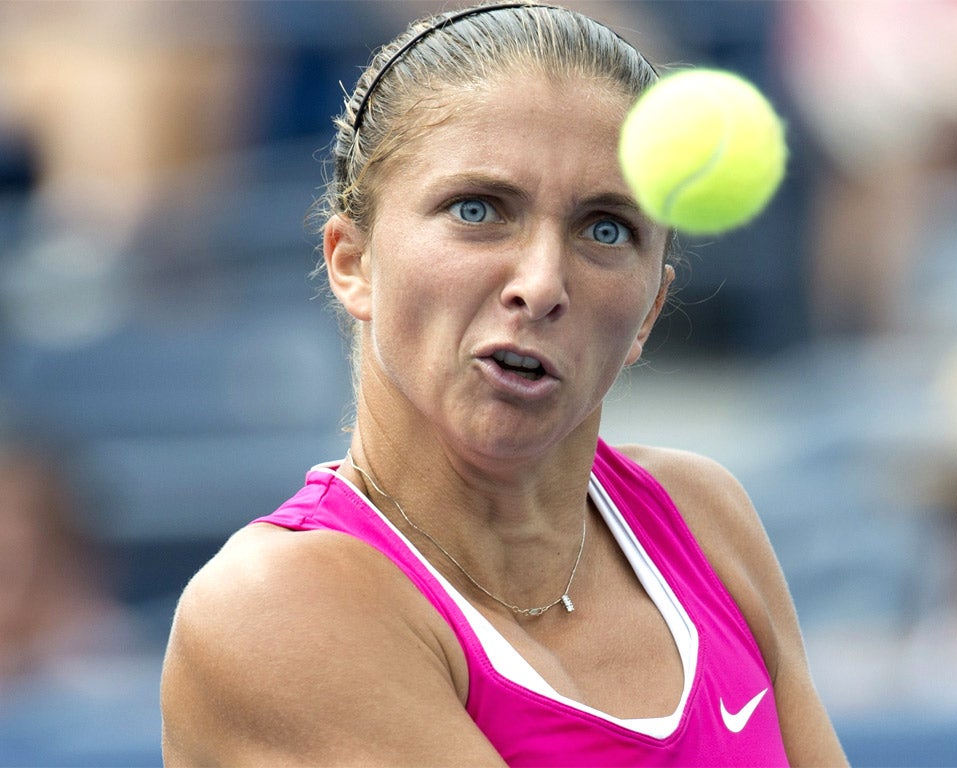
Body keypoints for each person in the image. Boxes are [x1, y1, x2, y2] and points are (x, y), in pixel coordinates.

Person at [160, 2, 847, 765]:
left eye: (606, 228)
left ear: (650, 310)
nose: (542, 282)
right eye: (478, 210)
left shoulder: (704, 516)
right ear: (351, 261)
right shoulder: (277, 604)